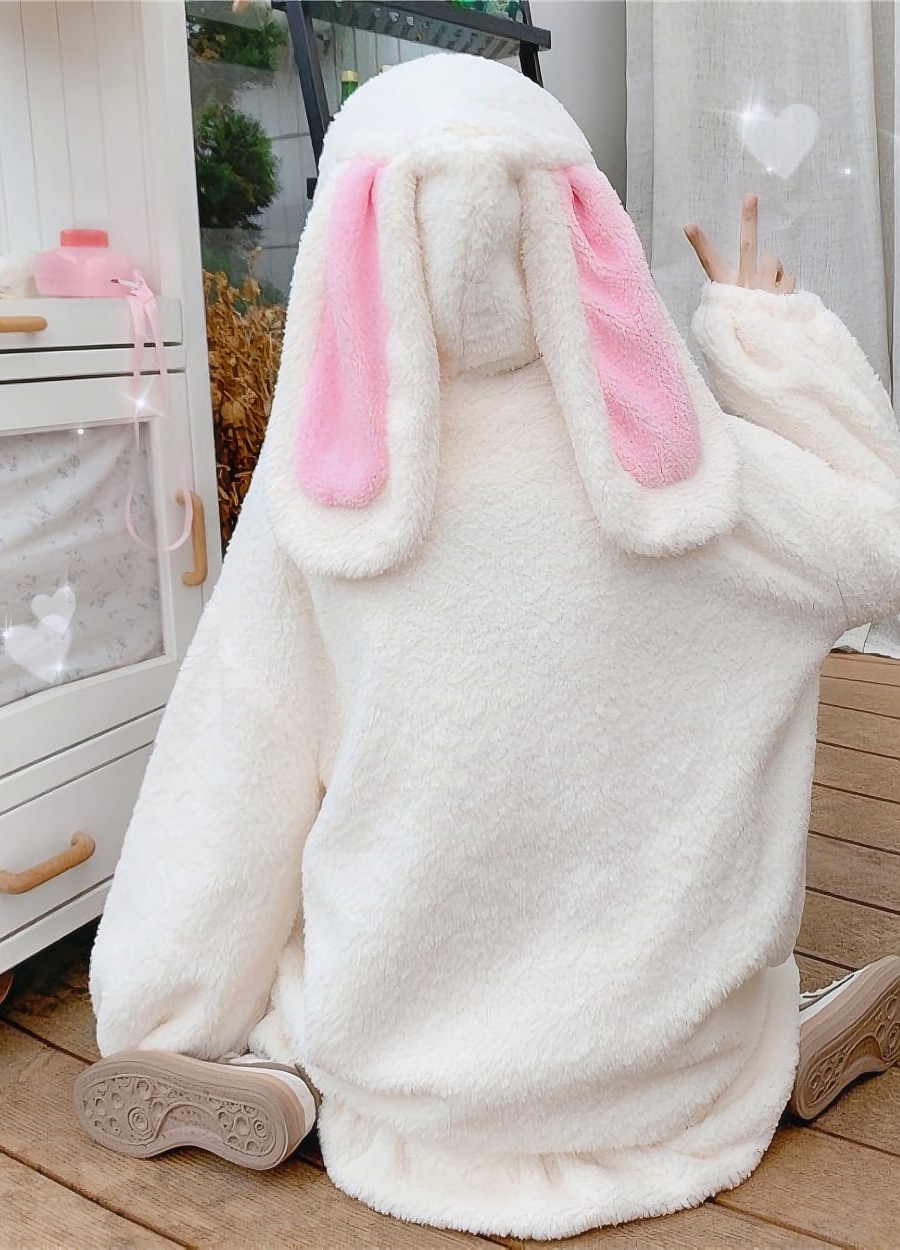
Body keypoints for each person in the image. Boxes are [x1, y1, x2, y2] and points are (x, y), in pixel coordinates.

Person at [76, 54, 900, 1241]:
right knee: (722, 975)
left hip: (411, 1094)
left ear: (345, 256)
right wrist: (770, 343)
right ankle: (760, 1046)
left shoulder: (324, 518)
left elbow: (224, 793)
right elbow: (879, 539)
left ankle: (281, 1062)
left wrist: (157, 1016)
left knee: (303, 868)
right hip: (672, 1079)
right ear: (584, 242)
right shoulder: (705, 485)